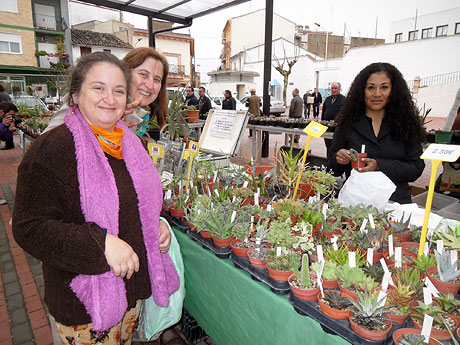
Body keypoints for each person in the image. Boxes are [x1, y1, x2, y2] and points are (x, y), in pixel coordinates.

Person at [12, 52, 179, 343]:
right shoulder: (54, 148)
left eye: (118, 91)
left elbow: (136, 206)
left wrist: (155, 225)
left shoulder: (130, 144)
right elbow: (29, 227)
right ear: (75, 94)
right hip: (83, 307)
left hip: (131, 295)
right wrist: (98, 243)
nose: (110, 99)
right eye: (98, 88)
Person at [327, 62, 425, 204]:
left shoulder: (406, 124)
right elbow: (331, 170)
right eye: (371, 87)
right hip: (356, 205)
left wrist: (379, 165)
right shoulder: (348, 123)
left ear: (393, 90)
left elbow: (416, 168)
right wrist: (338, 158)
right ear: (362, 90)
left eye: (384, 87)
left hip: (395, 204)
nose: (377, 94)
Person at [43, 47, 169, 138]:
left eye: (157, 79)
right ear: (124, 72)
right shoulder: (86, 99)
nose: (150, 85)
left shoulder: (137, 114)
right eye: (143, 74)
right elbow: (47, 143)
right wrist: (103, 129)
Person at [321, 82, 346, 155]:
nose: (334, 90)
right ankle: (328, 161)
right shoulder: (328, 99)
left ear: (339, 89)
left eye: (335, 88)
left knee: (335, 147)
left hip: (337, 129)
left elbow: (344, 113)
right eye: (332, 88)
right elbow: (323, 111)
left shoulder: (343, 99)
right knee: (328, 147)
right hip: (327, 127)